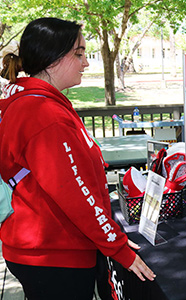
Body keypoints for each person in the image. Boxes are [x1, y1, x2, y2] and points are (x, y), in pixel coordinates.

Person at [0, 18, 155, 300]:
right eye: (79, 53)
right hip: (53, 254)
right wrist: (118, 248)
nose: (85, 63)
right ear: (52, 59)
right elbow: (75, 194)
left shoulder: (38, 103)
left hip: (43, 249)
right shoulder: (44, 114)